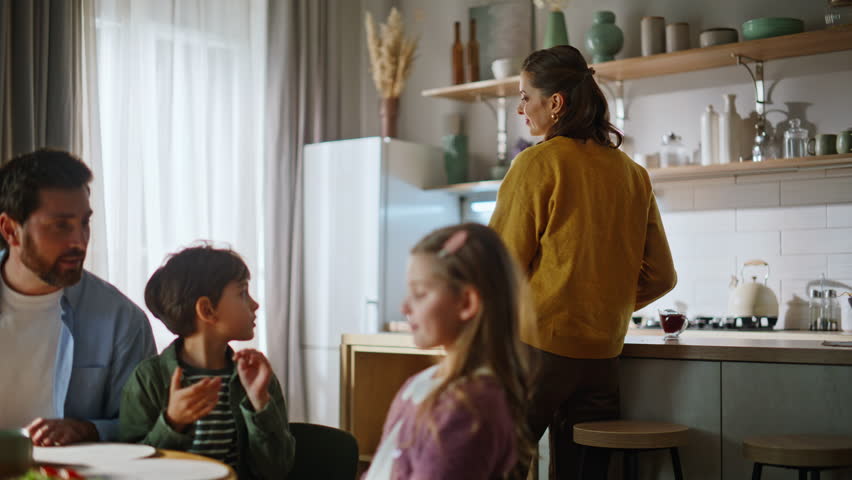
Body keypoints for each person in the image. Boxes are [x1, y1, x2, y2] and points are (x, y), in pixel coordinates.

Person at [489, 45, 677, 479]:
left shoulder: (536, 164)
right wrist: (602, 306)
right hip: (602, 357)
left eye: (525, 97)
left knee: (496, 466)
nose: (520, 109)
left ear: (555, 103)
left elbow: (498, 268)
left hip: (535, 351)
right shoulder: (633, 174)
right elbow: (663, 276)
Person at [0, 148, 156, 445]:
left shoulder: (123, 321)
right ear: (10, 230)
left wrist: (87, 429)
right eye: (61, 225)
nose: (79, 242)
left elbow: (144, 427)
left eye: (84, 223)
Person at [363, 223, 535, 480]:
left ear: (466, 303)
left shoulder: (468, 409)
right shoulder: (420, 384)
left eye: (420, 293)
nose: (404, 307)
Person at [120, 245, 295, 479]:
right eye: (242, 293)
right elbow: (132, 469)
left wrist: (260, 404)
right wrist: (172, 423)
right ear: (207, 309)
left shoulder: (257, 379)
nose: (255, 304)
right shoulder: (148, 378)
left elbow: (277, 471)